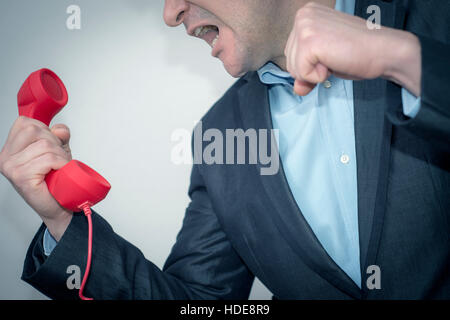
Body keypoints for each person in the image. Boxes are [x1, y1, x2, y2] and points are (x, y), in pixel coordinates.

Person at [0, 0, 449, 299]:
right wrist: (61, 220)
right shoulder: (220, 137)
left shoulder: (432, 18)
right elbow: (199, 305)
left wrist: (400, 58)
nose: (171, 12)